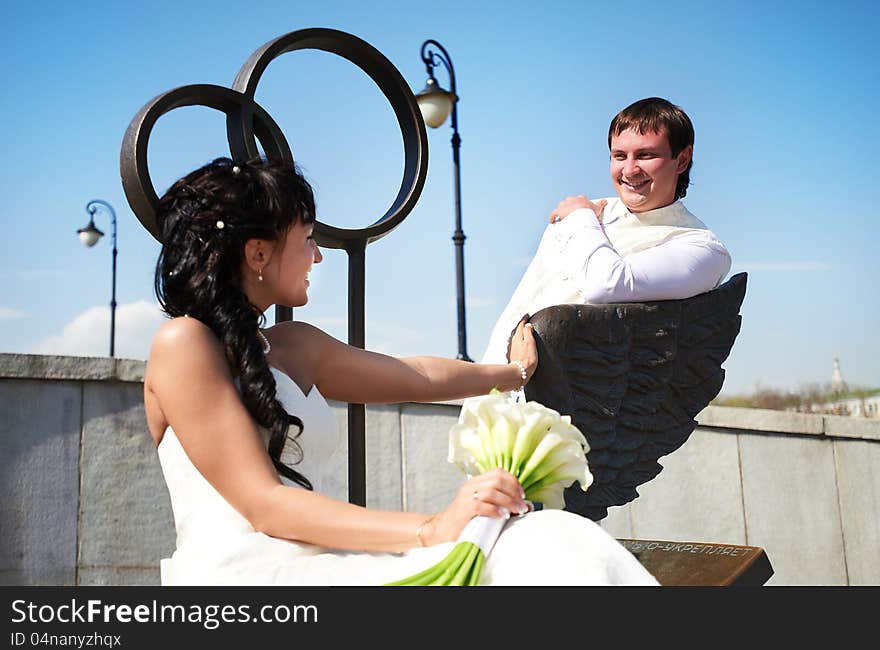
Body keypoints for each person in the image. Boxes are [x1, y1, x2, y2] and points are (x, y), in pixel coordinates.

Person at [144, 156, 658, 585]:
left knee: (549, 540)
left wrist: (512, 373)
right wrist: (431, 529)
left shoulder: (294, 345)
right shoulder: (183, 343)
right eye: (306, 238)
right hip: (248, 580)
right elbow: (266, 505)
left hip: (317, 564)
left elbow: (414, 376)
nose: (318, 256)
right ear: (258, 252)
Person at [481, 97, 732, 366]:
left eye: (646, 155)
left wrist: (580, 217)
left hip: (582, 403)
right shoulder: (586, 214)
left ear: (682, 160)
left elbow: (606, 285)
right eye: (619, 156)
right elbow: (522, 303)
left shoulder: (702, 247)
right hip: (497, 385)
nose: (629, 170)